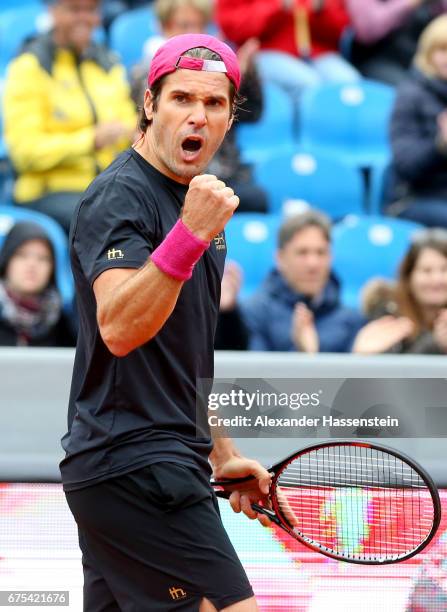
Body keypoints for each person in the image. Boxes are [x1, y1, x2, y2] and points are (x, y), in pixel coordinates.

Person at [60, 33, 274, 611]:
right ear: (150, 104)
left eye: (214, 104)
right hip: (133, 463)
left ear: (231, 117)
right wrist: (190, 234)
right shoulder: (120, 197)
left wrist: (221, 454)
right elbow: (121, 329)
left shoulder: (199, 205)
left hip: (146, 464)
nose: (197, 116)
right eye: (181, 98)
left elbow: (183, 354)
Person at [3, 0, 137, 234]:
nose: (84, 18)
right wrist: (90, 140)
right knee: (111, 219)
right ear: (52, 12)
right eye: (75, 9)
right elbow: (25, 152)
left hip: (108, 188)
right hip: (48, 191)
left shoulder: (107, 63)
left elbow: (128, 124)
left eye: (91, 10)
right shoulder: (30, 67)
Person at [131, 0, 268, 213]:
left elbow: (254, 114)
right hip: (172, 176)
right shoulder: (147, 72)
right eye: (183, 26)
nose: (192, 35)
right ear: (163, 27)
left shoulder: (217, 71)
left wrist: (238, 80)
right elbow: (141, 130)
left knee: (256, 198)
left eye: (199, 26)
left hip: (226, 173)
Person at [242, 210, 365, 352]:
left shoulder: (351, 319)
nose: (313, 264)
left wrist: (362, 358)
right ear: (280, 258)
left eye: (321, 252)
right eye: (302, 252)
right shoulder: (255, 313)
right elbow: (254, 371)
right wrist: (301, 353)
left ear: (331, 257)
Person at [215, 0, 360, 104]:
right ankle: (308, 142)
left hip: (316, 53)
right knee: (308, 84)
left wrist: (322, 9)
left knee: (349, 82)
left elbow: (341, 30)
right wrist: (276, 5)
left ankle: (344, 142)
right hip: (264, 52)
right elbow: (234, 28)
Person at [388, 14, 447, 226]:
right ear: (428, 54)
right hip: (416, 198)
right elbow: (406, 166)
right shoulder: (410, 95)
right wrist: (440, 145)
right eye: (442, 50)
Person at [352, 228, 447, 354]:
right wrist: (436, 344)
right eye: (426, 271)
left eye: (445, 270)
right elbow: (397, 370)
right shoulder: (388, 313)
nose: (437, 279)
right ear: (408, 276)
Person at [0, 221, 74, 347]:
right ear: (7, 261)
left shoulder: (65, 324)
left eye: (42, 258)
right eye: (22, 255)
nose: (32, 265)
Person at [346, 0, 447, 85]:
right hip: (379, 59)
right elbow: (368, 31)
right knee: (414, 93)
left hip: (420, 59)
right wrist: (407, 4)